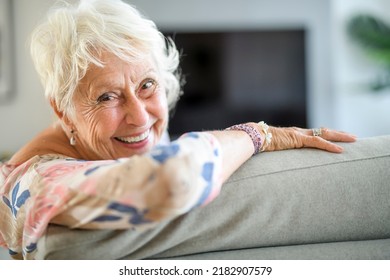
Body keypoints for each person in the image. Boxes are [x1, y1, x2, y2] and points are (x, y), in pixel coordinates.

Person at [0, 0, 356, 260]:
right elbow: (175, 179)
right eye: (107, 96)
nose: (140, 118)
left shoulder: (112, 145)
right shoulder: (37, 180)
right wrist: (259, 134)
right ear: (62, 109)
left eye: (147, 85)